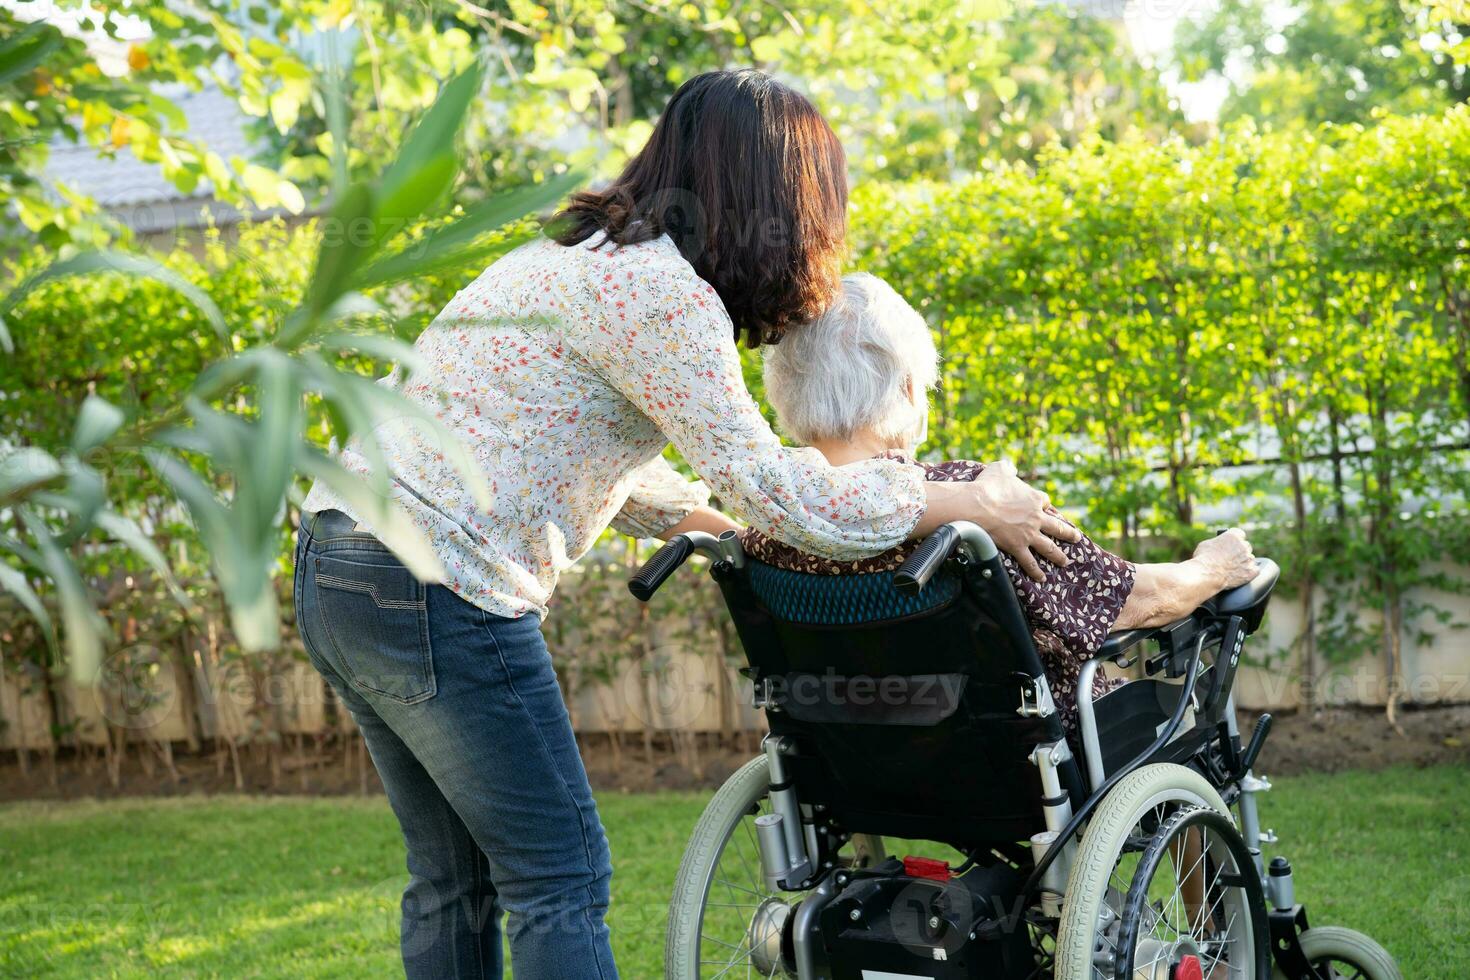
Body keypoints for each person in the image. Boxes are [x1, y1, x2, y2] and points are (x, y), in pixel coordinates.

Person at [292, 70, 1077, 979]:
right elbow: (787, 495)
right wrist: (967, 500)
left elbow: (544, 447)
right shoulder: (664, 296)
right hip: (442, 584)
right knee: (560, 876)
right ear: (772, 192)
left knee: (451, 880)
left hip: (339, 563)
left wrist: (695, 513)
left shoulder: (573, 255)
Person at [745, 272, 1261, 735]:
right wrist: (1214, 567)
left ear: (785, 391)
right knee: (1178, 725)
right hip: (1021, 767)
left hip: (857, 768)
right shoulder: (975, 504)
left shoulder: (769, 528)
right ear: (905, 388)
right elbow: (1137, 600)